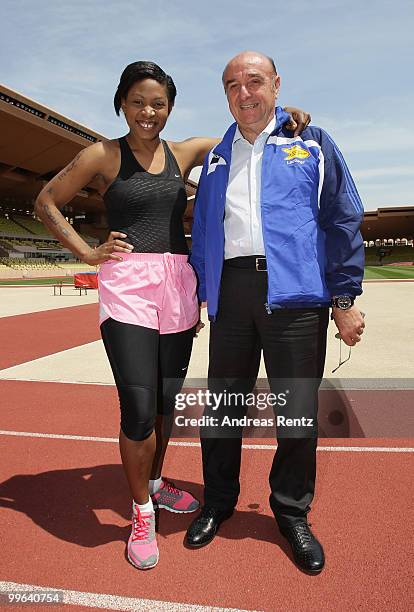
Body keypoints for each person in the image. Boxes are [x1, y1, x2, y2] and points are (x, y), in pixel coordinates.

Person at [34, 60, 310, 570]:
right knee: (138, 411)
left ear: (170, 108)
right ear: (122, 103)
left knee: (164, 402)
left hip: (178, 286)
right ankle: (142, 513)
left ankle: (156, 485)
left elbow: (246, 129)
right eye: (138, 101)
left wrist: (286, 113)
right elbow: (47, 200)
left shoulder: (184, 151)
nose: (148, 111)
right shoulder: (102, 154)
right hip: (128, 288)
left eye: (158, 103)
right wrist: (86, 253)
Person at [186, 51, 365, 574]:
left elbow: (341, 218)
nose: (245, 93)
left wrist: (345, 299)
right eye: (233, 84)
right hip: (234, 291)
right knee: (223, 410)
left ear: (277, 85)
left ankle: (291, 512)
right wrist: (201, 294)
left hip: (297, 296)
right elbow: (204, 234)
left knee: (296, 416)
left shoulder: (311, 142)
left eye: (255, 81)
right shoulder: (216, 155)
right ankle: (217, 501)